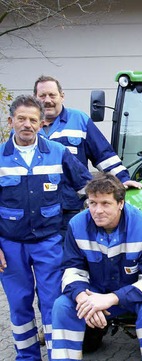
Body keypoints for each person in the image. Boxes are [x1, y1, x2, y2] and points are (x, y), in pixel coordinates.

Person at [0, 95, 92, 360]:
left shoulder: (58, 152)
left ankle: (57, 355)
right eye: (21, 119)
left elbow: (86, 188)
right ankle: (27, 356)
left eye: (32, 120)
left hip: (50, 242)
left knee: (53, 303)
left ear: (41, 124)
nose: (27, 124)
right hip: (10, 245)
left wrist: (117, 188)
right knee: (18, 306)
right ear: (11, 122)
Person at [50, 173, 142, 360]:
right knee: (62, 306)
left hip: (134, 294)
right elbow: (72, 269)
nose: (97, 210)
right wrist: (83, 299)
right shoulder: (77, 224)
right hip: (94, 294)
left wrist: (110, 299)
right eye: (92, 203)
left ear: (120, 203)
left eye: (105, 203)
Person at [33, 75, 142, 233]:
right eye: (42, 96)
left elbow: (104, 155)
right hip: (38, 210)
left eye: (52, 95)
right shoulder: (27, 127)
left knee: (71, 253)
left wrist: (123, 180)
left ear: (62, 96)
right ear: (35, 98)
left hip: (70, 208)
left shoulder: (79, 120)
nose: (47, 100)